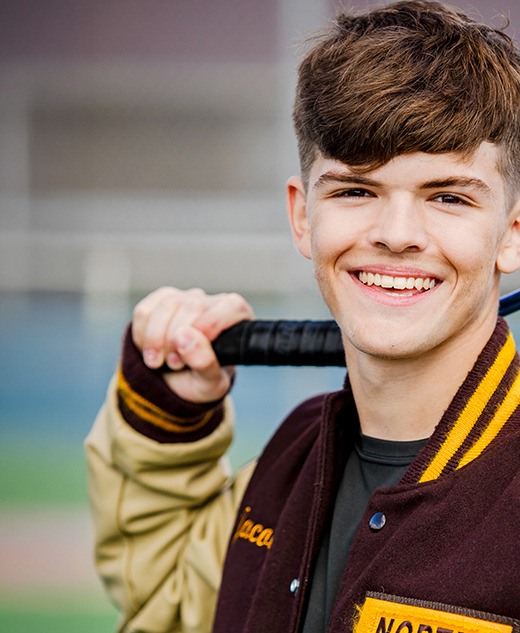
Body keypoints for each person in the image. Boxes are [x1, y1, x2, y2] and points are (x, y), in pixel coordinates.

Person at [85, 1, 520, 631]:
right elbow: (174, 608)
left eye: (447, 197)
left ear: (510, 235)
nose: (397, 235)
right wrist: (166, 418)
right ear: (301, 215)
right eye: (354, 190)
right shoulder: (292, 458)